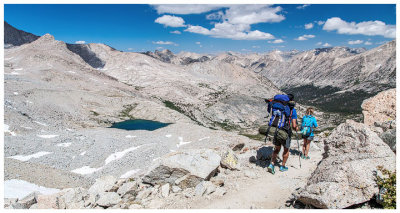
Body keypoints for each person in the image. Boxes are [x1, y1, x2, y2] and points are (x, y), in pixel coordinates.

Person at [267, 94, 298, 174]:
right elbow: (294, 125)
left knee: (277, 149)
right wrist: (296, 128)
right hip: (286, 131)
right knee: (286, 149)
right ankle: (282, 166)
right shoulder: (292, 109)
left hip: (276, 129)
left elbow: (269, 111)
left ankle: (271, 164)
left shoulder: (276, 106)